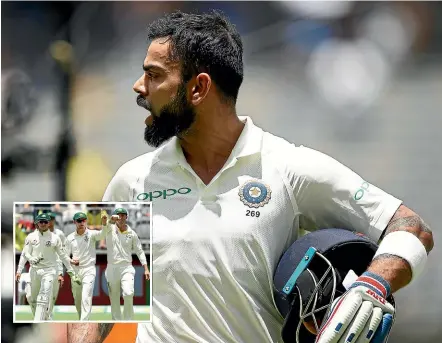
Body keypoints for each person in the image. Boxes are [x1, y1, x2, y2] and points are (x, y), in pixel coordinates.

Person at [65, 10, 433, 343]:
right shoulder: (132, 178)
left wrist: (373, 284)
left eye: (154, 75)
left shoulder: (288, 166)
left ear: (199, 88)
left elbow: (412, 227)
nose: (138, 86)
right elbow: (90, 297)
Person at [16, 213, 80, 321]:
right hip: (34, 270)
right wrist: (19, 270)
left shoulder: (55, 238)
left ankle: (40, 320)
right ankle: (45, 319)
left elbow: (62, 255)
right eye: (41, 222)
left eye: (46, 222)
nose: (43, 224)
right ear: (37, 223)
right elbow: (24, 254)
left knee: (44, 296)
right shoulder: (31, 237)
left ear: (49, 223)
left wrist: (70, 269)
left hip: (49, 271)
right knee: (31, 298)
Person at [102, 208, 150, 320]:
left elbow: (139, 251)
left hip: (126, 267)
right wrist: (110, 220)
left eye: (123, 215)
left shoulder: (132, 233)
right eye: (118, 215)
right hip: (112, 268)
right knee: (114, 299)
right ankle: (117, 323)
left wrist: (146, 268)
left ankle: (129, 321)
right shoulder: (110, 228)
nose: (121, 217)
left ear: (126, 217)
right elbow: (104, 222)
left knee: (128, 293)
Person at [65, 212, 110, 320]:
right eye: (79, 221)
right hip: (75, 271)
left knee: (86, 296)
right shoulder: (70, 237)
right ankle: (81, 319)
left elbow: (103, 234)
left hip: (89, 269)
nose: (82, 223)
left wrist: (104, 224)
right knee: (78, 299)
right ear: (74, 222)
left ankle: (84, 321)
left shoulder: (91, 234)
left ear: (86, 221)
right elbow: (64, 256)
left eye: (83, 220)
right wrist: (71, 261)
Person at [47, 211, 67, 320]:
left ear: (54, 221)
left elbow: (64, 248)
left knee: (54, 293)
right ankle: (47, 315)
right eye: (47, 220)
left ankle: (49, 312)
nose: (49, 222)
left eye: (51, 219)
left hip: (57, 267)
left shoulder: (59, 234)